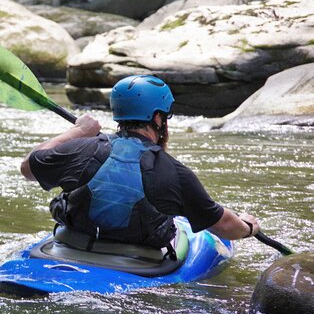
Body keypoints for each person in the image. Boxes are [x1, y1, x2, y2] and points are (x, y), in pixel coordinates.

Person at [20, 74, 260, 255]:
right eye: (165, 117)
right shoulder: (173, 172)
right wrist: (248, 227)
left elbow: (27, 169)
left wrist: (78, 131)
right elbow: (226, 226)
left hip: (71, 247)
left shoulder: (81, 147)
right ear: (157, 119)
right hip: (136, 262)